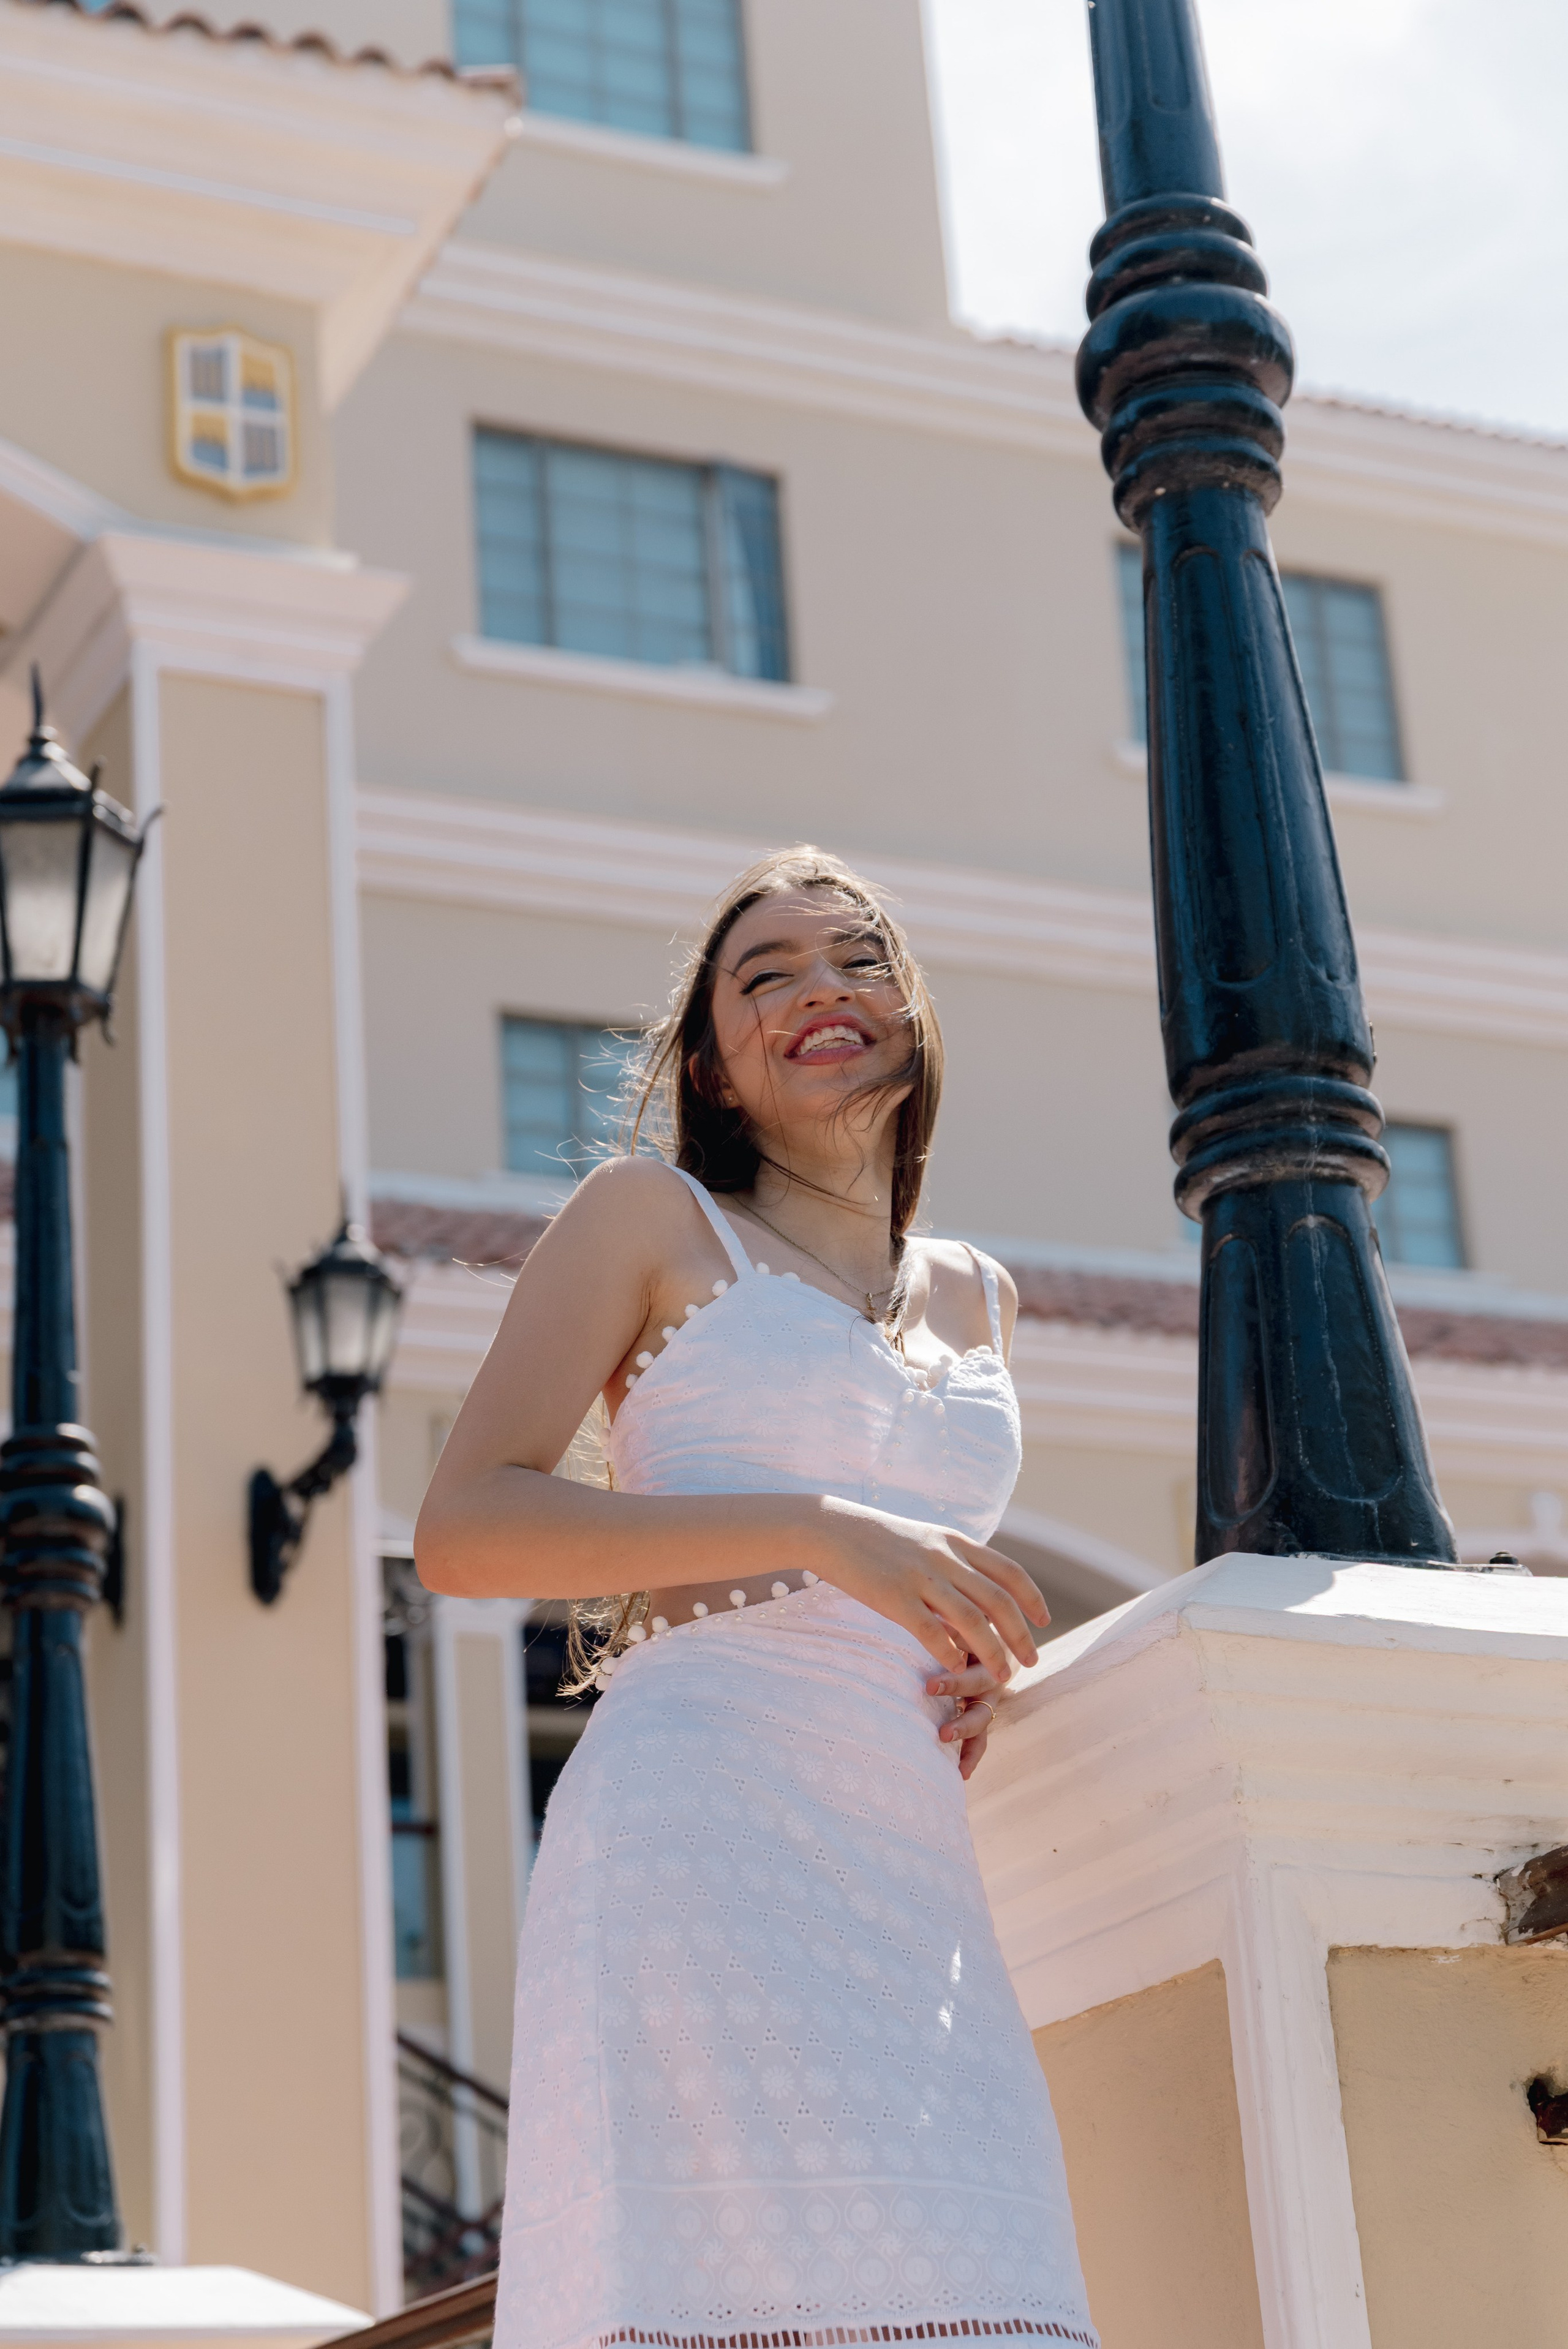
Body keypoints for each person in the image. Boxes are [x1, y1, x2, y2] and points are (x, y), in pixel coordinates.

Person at [416, 847, 1098, 2349]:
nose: (819, 991)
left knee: (988, 2296)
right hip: (700, 1825)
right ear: (715, 1066)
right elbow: (461, 1528)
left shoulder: (978, 1292)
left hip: (914, 1860)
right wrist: (822, 1531)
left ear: (910, 1013)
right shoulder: (646, 1218)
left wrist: (989, 1660)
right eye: (765, 975)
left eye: (854, 958)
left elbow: (924, 1544)